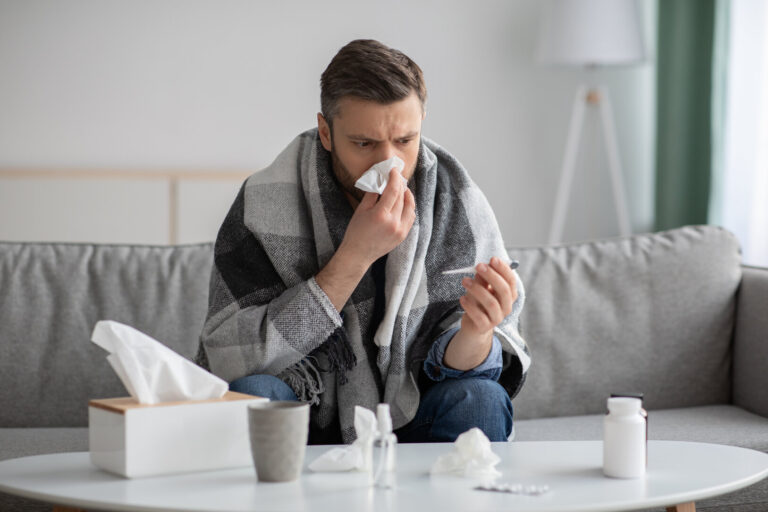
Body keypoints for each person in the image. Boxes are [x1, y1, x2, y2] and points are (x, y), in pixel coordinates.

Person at [196, 39, 530, 445]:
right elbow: (231, 357)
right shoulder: (263, 203)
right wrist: (355, 255)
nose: (388, 164)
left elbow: (463, 372)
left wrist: (477, 332)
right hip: (309, 412)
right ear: (326, 132)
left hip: (411, 412)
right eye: (364, 144)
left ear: (422, 121)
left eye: (405, 141)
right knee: (254, 397)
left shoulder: (455, 199)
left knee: (481, 399)